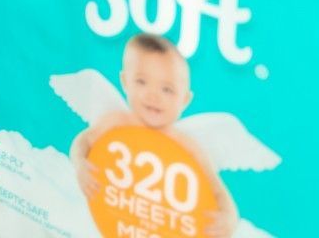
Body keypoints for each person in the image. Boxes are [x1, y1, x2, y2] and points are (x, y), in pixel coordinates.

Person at [71, 34, 238, 238]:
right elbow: (84, 140)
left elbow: (217, 188)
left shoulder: (187, 145)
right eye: (141, 82)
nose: (153, 95)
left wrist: (229, 216)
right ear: (125, 81)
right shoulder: (117, 122)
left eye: (167, 89)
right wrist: (80, 164)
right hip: (116, 216)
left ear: (185, 100)